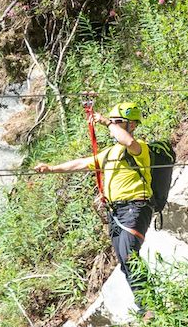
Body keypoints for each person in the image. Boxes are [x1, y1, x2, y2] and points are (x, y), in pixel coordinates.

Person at [32, 99, 153, 303]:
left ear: (131, 125)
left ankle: (149, 308)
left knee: (130, 256)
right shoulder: (109, 153)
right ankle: (148, 305)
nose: (113, 124)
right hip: (116, 212)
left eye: (118, 122)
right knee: (125, 261)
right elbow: (81, 163)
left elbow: (129, 142)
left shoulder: (138, 147)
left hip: (135, 206)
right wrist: (52, 168)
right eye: (113, 121)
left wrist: (106, 122)